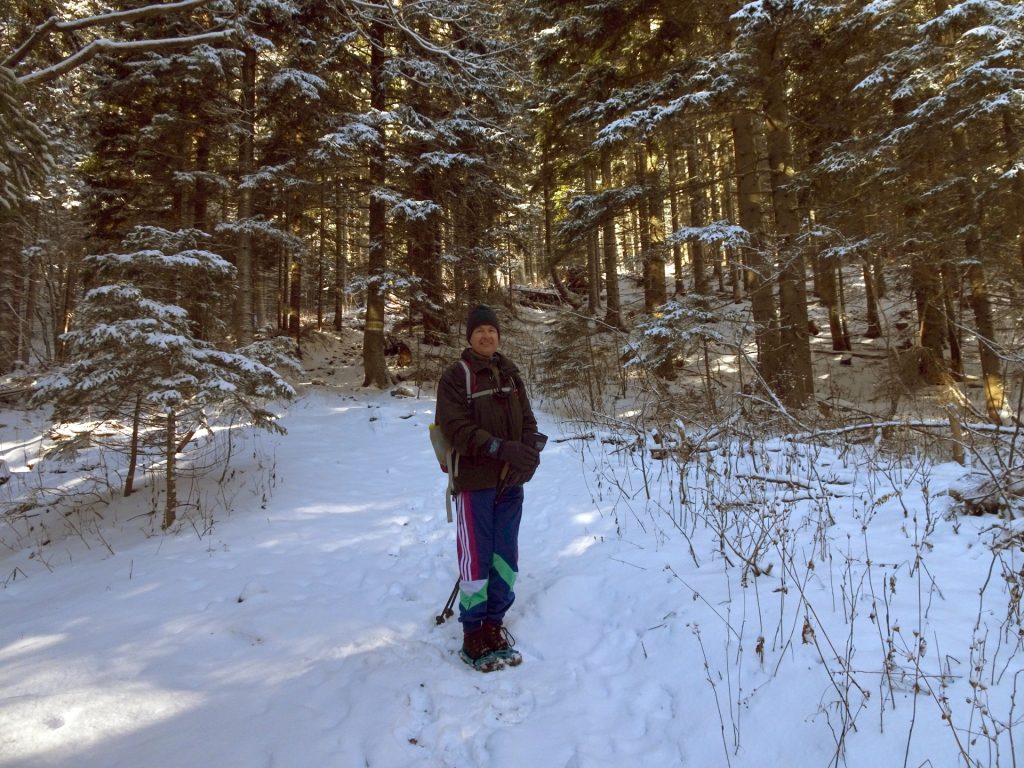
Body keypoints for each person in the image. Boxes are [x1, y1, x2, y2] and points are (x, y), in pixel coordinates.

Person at [436, 304, 544, 671]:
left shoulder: (510, 374)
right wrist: (499, 448)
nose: (487, 336)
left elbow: (528, 419)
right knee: (477, 557)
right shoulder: (457, 376)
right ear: (469, 337)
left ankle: (495, 623)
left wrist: (528, 454)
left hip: (510, 482)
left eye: (492, 331)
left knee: (505, 555)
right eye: (480, 330)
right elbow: (456, 427)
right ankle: (472, 633)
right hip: (476, 481)